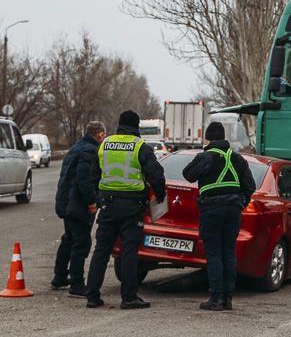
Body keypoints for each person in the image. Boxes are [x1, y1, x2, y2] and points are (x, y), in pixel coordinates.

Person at [84, 110, 166, 309]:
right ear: (136, 126)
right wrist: (161, 196)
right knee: (129, 251)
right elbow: (156, 174)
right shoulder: (140, 147)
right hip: (132, 207)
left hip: (108, 205)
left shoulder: (105, 144)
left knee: (101, 250)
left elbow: (93, 176)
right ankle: (129, 297)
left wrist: (97, 198)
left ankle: (92, 296)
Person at [181, 121, 256, 311]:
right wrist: (240, 204)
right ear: (224, 138)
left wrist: (201, 157)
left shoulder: (206, 156)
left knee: (214, 253)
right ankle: (228, 299)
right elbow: (250, 186)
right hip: (232, 211)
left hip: (211, 210)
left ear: (208, 138)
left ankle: (216, 298)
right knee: (228, 253)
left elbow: (188, 175)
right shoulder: (237, 159)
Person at [50, 120, 107, 296]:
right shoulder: (90, 151)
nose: (103, 138)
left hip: (66, 201)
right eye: (103, 135)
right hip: (77, 204)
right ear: (99, 134)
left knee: (69, 239)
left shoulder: (76, 148)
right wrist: (91, 201)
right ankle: (76, 284)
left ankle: (59, 277)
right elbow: (85, 181)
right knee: (81, 243)